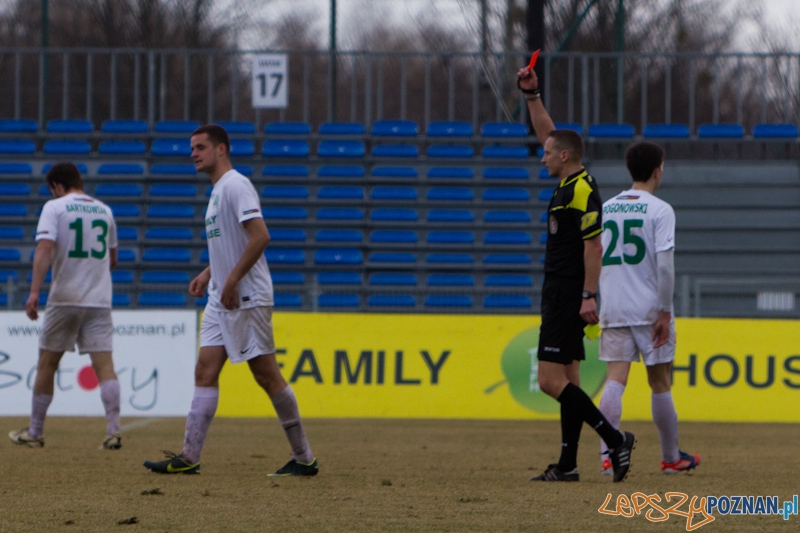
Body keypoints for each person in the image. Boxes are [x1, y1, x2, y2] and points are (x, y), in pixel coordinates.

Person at [143, 124, 317, 476]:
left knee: (267, 377)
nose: (194, 153)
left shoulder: (236, 185)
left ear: (221, 149)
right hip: (220, 298)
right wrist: (210, 273)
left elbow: (260, 236)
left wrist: (233, 279)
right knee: (204, 371)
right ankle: (189, 457)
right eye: (192, 147)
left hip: (246, 298)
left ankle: (304, 458)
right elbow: (232, 242)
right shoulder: (217, 192)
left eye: (201, 147)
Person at [517, 64, 635, 483]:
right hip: (562, 289)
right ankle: (567, 465)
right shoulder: (569, 180)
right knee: (569, 378)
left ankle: (614, 438)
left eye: (548, 153)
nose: (542, 154)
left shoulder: (583, 189)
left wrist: (588, 295)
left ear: (564, 157)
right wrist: (532, 95)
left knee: (550, 381)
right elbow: (550, 133)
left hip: (568, 293)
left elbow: (593, 246)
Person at [597, 141, 700, 475]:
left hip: (613, 304)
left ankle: (607, 455)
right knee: (659, 382)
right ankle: (671, 458)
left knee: (614, 380)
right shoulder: (660, 210)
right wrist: (665, 311)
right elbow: (666, 267)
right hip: (649, 309)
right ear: (658, 170)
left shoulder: (608, 207)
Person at [9, 162, 122, 450]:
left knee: (48, 363)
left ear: (57, 186)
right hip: (98, 300)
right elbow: (113, 259)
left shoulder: (55, 207)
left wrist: (34, 292)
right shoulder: (104, 210)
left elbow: (45, 248)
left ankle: (35, 433)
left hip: (65, 298)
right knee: (105, 366)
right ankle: (113, 431)